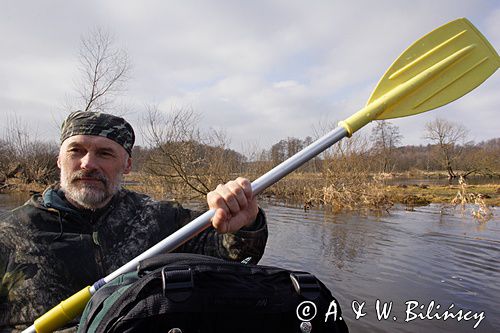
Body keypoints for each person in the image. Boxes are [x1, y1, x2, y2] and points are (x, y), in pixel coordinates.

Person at [0, 111, 268, 332]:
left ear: (127, 164)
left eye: (105, 154)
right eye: (76, 151)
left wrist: (245, 225)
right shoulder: (12, 231)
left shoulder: (161, 219)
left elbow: (232, 260)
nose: (87, 163)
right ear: (59, 160)